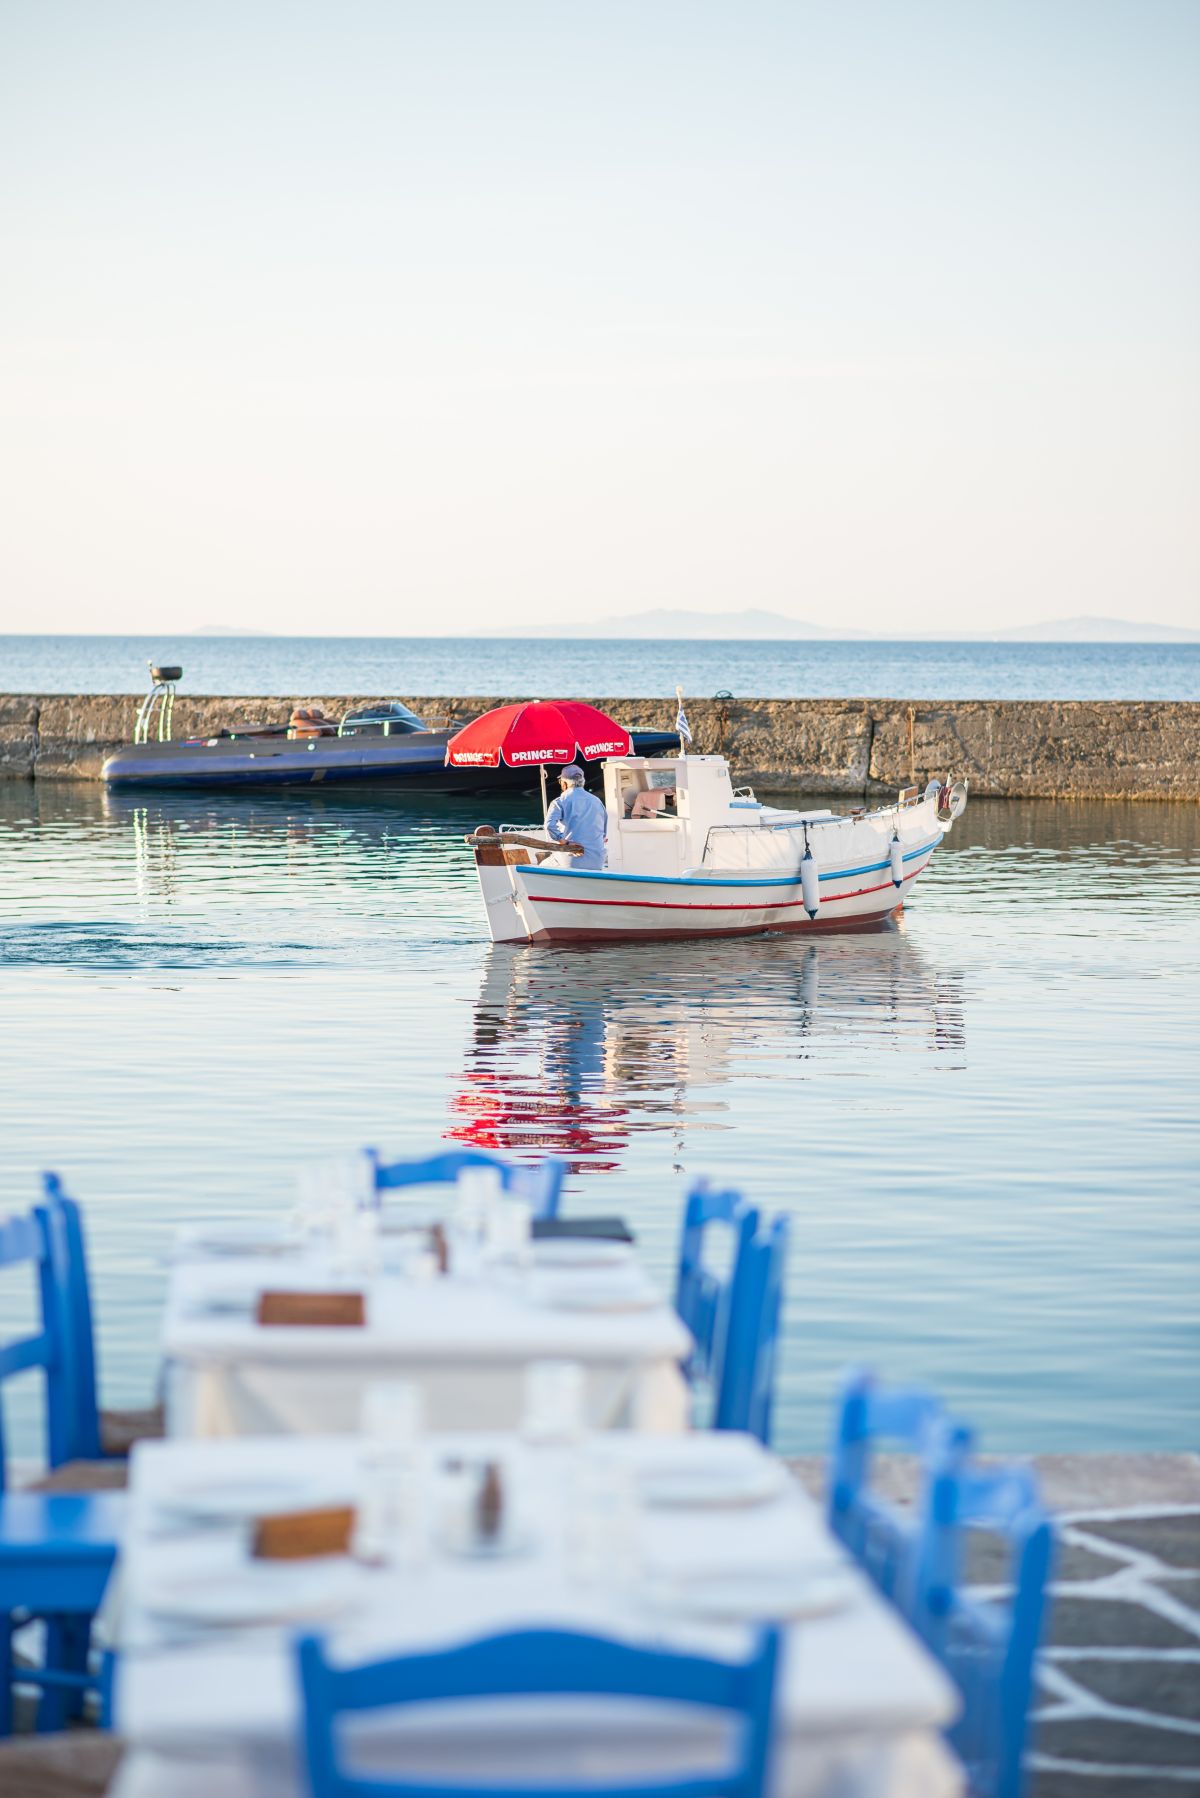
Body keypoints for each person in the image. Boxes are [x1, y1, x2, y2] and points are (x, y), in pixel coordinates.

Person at [544, 764, 608, 870]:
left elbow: (549, 826)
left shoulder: (560, 801)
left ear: (564, 783)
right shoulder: (597, 801)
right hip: (597, 860)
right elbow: (603, 832)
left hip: (571, 860)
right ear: (582, 782)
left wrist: (565, 842)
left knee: (541, 866)